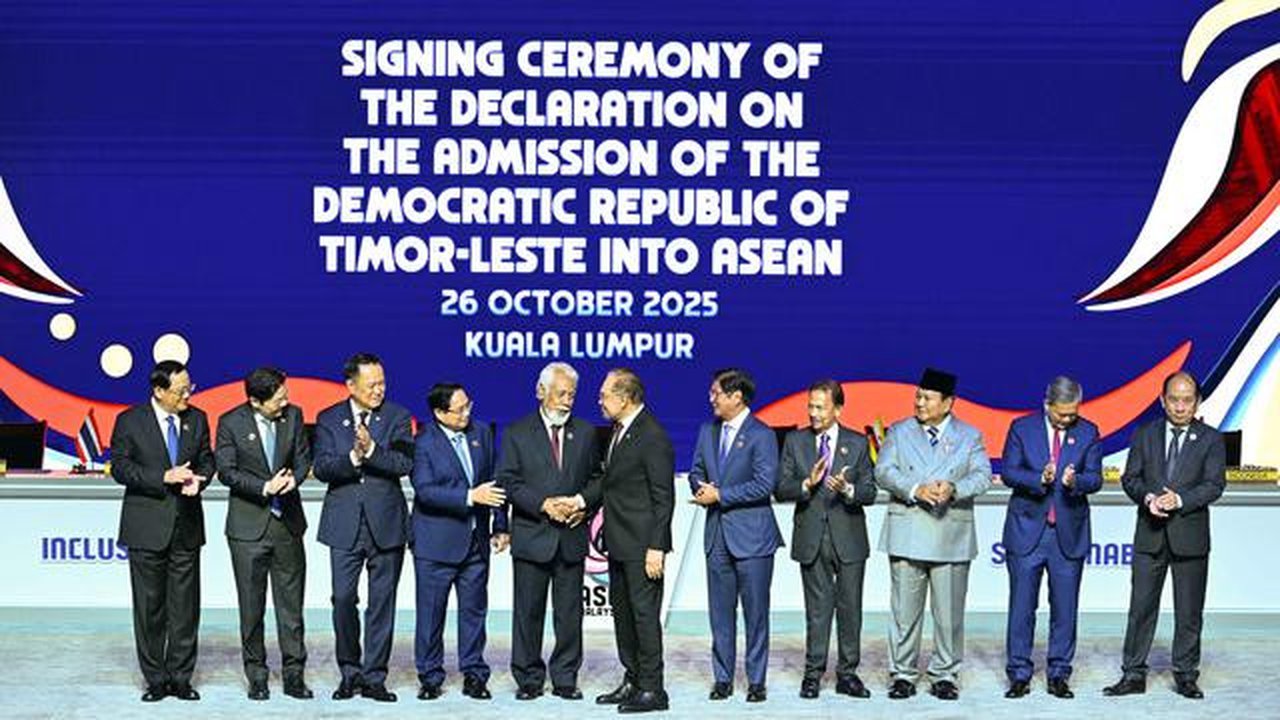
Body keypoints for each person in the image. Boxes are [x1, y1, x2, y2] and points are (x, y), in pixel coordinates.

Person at [1104, 371, 1226, 700]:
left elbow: (1215, 485)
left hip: (1191, 538)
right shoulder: (1144, 434)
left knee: (1189, 612)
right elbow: (1131, 478)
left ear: (1197, 402)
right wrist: (1149, 498)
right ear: (1162, 400)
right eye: (1174, 399)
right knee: (1140, 608)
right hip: (1150, 535)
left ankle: (1186, 675)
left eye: (1187, 400)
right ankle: (1133, 674)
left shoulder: (1213, 439)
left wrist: (1181, 499)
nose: (1180, 406)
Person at [874, 367, 992, 701]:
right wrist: (915, 488)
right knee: (904, 614)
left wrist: (954, 488)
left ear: (948, 402)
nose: (919, 402)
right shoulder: (898, 431)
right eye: (917, 396)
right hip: (908, 530)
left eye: (927, 398)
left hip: (950, 534)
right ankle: (903, 674)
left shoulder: (969, 436)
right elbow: (883, 471)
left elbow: (983, 476)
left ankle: (945, 674)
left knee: (949, 615)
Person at [495, 361, 601, 701]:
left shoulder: (586, 432)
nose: (566, 401)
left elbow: (598, 479)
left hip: (570, 537)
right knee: (528, 612)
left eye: (571, 394)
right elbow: (508, 482)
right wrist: (543, 504)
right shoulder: (516, 432)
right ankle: (528, 679)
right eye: (560, 393)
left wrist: (582, 503)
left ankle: (566, 677)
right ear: (540, 392)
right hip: (532, 535)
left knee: (569, 615)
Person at [110, 360, 214, 702]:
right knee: (149, 608)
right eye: (180, 390)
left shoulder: (197, 419)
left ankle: (181, 678)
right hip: (146, 527)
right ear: (158, 391)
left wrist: (199, 480)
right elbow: (121, 468)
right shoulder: (129, 420)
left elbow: (207, 460)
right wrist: (162, 478)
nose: (188, 395)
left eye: (190, 387)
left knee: (185, 609)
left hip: (186, 525)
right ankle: (155, 679)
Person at [313, 352, 414, 702]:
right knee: (343, 599)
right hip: (344, 525)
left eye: (383, 383)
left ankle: (374, 677)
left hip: (386, 523)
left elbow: (403, 463)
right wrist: (354, 458)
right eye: (372, 384)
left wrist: (371, 451)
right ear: (350, 385)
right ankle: (349, 671)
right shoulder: (328, 419)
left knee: (381, 603)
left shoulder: (399, 417)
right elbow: (324, 467)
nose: (379, 390)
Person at [1000, 376, 1102, 700]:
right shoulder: (1021, 428)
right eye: (1061, 414)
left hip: (1068, 535)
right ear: (1047, 405)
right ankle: (1019, 674)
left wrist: (1077, 481)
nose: (1067, 420)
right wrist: (1037, 478)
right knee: (1021, 608)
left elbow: (1096, 478)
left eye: (1072, 414)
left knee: (1065, 609)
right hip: (1027, 532)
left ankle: (1059, 673)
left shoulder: (1089, 431)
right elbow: (1008, 472)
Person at [215, 367, 313, 700]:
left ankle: (294, 675)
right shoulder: (230, 423)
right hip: (247, 529)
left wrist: (294, 481)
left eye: (286, 395)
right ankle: (257, 674)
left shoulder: (294, 416)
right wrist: (264, 487)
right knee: (251, 608)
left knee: (291, 608)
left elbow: (303, 458)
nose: (285, 402)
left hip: (286, 525)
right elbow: (226, 472)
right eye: (278, 398)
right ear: (255, 401)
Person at [774, 379, 876, 700]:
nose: (813, 413)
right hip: (812, 537)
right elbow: (781, 488)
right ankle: (812, 674)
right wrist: (807, 483)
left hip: (849, 538)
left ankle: (848, 674)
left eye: (820, 407)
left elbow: (870, 491)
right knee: (817, 610)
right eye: (810, 406)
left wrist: (848, 490)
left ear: (838, 408)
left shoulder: (858, 443)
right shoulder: (795, 441)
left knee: (850, 609)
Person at [409, 382, 508, 701]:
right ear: (439, 412)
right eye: (460, 408)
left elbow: (495, 482)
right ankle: (430, 676)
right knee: (430, 616)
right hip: (435, 544)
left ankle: (475, 674)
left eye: (469, 405)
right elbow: (425, 490)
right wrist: (468, 496)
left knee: (474, 613)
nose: (467, 412)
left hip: (476, 544)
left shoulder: (482, 432)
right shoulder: (423, 441)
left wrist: (500, 524)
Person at [688, 368, 781, 703]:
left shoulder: (762, 434)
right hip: (717, 538)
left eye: (716, 393)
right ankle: (723, 678)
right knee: (720, 614)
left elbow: (763, 484)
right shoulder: (706, 431)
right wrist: (701, 488)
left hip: (753, 538)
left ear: (736, 396)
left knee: (756, 614)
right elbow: (696, 471)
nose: (711, 398)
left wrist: (721, 495)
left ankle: (756, 681)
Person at [589, 368, 675, 713]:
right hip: (619, 542)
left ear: (624, 398)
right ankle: (634, 678)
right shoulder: (619, 431)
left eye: (604, 394)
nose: (599, 400)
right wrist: (581, 503)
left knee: (643, 617)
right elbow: (610, 483)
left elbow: (663, 497)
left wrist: (657, 546)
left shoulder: (651, 435)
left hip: (643, 547)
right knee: (623, 615)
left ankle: (653, 690)